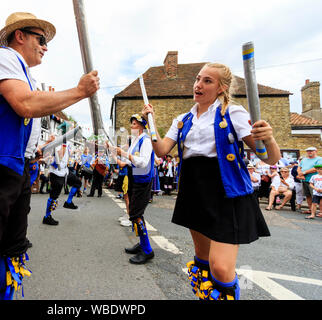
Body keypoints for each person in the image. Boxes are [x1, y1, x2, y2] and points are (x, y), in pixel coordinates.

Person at [0, 12, 99, 300]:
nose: (45, 47)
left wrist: (35, 152)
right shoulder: (1, 56)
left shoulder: (24, 73)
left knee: (12, 248)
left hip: (16, 168)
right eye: (41, 39)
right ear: (20, 36)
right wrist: (79, 91)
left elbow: (26, 118)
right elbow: (24, 104)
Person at [142, 62, 281, 300]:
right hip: (194, 191)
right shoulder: (183, 119)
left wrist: (268, 139)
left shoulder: (233, 113)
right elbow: (162, 150)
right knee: (203, 260)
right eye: (198, 79)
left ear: (221, 88)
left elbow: (270, 158)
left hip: (226, 191)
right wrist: (151, 124)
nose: (198, 84)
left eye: (207, 81)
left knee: (221, 267)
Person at [112, 114, 155, 264]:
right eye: (131, 123)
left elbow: (142, 162)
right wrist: (114, 152)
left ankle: (148, 250)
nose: (132, 126)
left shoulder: (147, 140)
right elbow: (126, 162)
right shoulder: (135, 140)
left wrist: (123, 153)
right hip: (133, 177)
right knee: (134, 214)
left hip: (142, 180)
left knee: (136, 214)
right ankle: (142, 244)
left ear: (142, 126)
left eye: (135, 124)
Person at [297, 147, 322, 214]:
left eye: (311, 151)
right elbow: (299, 167)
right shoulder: (304, 159)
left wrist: (304, 173)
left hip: (315, 181)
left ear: (316, 151)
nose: (309, 152)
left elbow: (315, 168)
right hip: (305, 180)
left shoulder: (319, 159)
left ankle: (321, 211)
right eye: (308, 151)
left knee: (317, 196)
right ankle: (311, 210)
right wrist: (300, 173)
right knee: (308, 195)